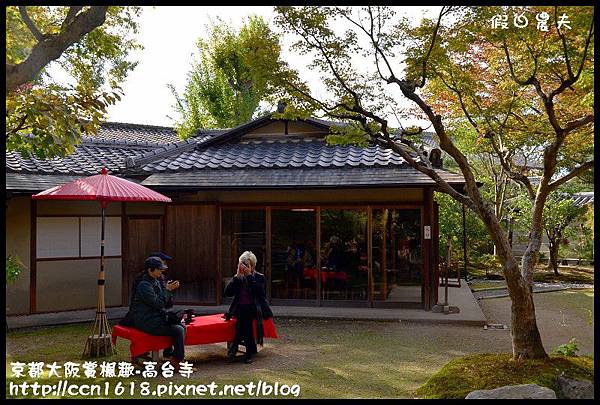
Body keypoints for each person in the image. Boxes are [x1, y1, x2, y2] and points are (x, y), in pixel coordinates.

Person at [129, 256, 185, 370]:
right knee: (178, 330)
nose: (162, 271)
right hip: (146, 321)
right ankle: (176, 361)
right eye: (159, 269)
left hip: (156, 317)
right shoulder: (144, 285)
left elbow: (164, 302)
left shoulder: (156, 281)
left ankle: (175, 358)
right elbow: (158, 303)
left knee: (181, 325)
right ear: (150, 270)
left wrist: (168, 291)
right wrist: (167, 290)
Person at [223, 251, 273, 364]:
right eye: (242, 264)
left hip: (254, 308)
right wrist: (236, 277)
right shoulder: (238, 278)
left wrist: (249, 276)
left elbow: (259, 293)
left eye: (246, 264)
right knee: (244, 319)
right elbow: (227, 293)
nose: (243, 267)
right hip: (239, 308)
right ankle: (248, 352)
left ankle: (235, 348)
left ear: (252, 265)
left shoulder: (259, 277)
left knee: (245, 319)